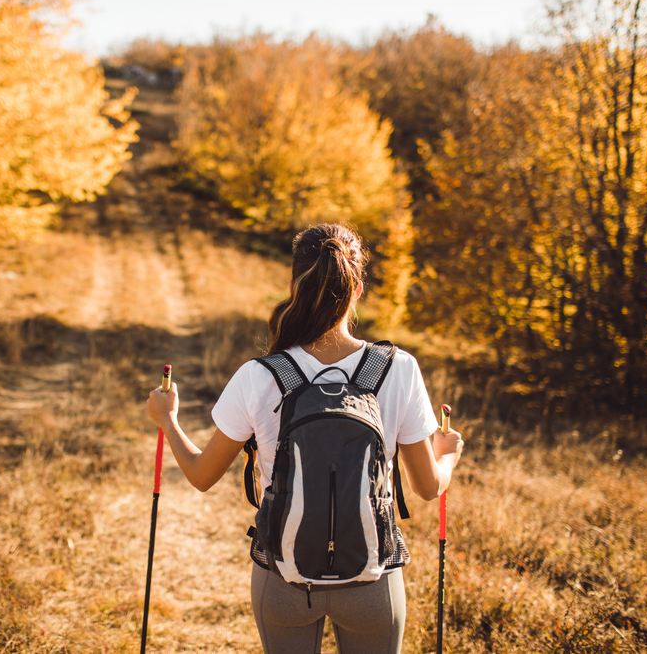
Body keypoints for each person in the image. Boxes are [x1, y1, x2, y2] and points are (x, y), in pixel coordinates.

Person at [147, 223, 464, 654]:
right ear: (358, 290)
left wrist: (168, 421)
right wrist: (446, 456)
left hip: (282, 577)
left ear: (294, 283)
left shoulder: (261, 375)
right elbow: (428, 488)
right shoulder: (398, 368)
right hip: (373, 580)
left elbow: (202, 476)